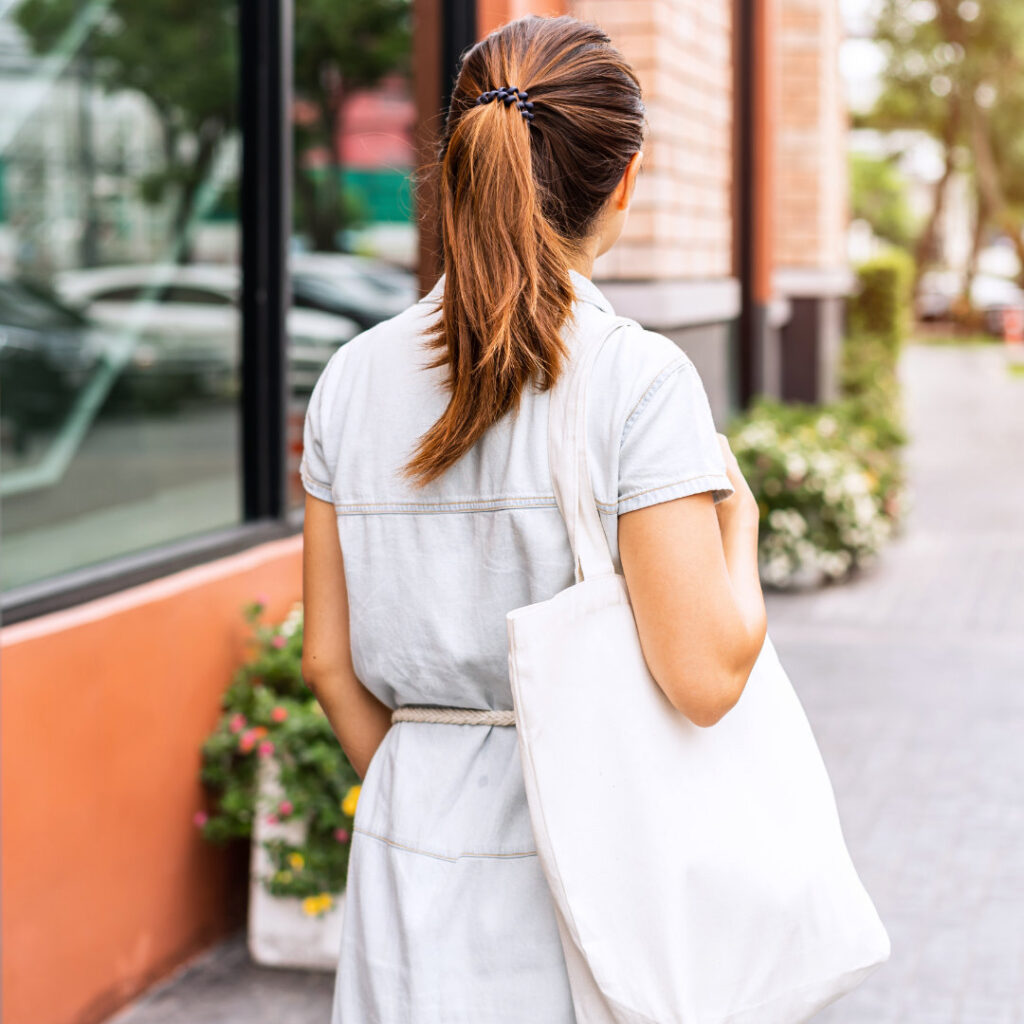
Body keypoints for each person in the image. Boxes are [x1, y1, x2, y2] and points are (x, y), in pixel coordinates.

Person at [300, 14, 766, 1023]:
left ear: (462, 161)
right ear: (625, 179)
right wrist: (744, 538)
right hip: (588, 857)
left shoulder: (348, 379)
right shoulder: (638, 379)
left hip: (403, 857)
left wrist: (430, 794)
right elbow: (705, 674)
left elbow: (329, 664)